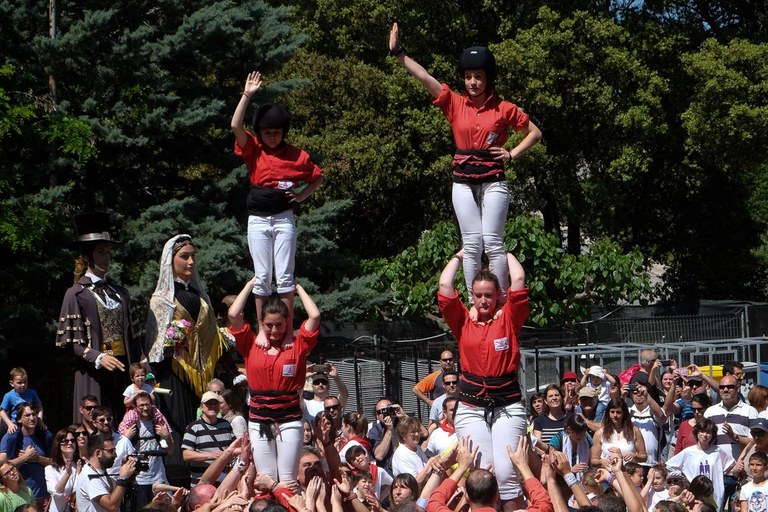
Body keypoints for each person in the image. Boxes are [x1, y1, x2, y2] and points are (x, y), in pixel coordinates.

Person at [389, 24, 541, 304]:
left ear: (488, 78)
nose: (472, 82)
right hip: (462, 182)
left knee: (493, 243)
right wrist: (400, 55)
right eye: (468, 77)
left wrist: (512, 154)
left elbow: (535, 133)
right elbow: (425, 78)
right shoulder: (454, 103)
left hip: (494, 181)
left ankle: (501, 301)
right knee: (472, 245)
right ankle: (475, 302)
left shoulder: (504, 108)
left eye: (478, 77)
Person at [231, 71, 324, 347]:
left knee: (284, 277)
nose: (271, 137)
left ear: (284, 133)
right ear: (260, 133)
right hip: (258, 220)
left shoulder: (298, 156)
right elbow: (236, 125)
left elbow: (318, 177)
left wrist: (301, 196)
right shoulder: (254, 150)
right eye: (267, 133)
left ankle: (286, 332)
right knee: (262, 277)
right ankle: (262, 329)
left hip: (284, 218)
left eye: (276, 133)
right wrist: (247, 94)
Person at [437, 250, 528, 508]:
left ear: (498, 295)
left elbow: (519, 279)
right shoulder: (463, 320)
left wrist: (500, 250)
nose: (484, 301)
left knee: (508, 472)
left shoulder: (508, 318)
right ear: (472, 296)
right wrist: (458, 256)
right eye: (478, 295)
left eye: (489, 295)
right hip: (471, 405)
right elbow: (445, 286)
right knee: (482, 475)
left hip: (507, 406)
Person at [145, 234, 230, 483]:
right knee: (181, 427)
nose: (191, 261)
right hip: (174, 376)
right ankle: (179, 482)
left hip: (203, 374)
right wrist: (171, 340)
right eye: (185, 256)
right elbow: (154, 346)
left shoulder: (202, 296)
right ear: (169, 261)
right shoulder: (161, 300)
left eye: (193, 256)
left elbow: (211, 334)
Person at [228, 277, 321, 483]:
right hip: (259, 419)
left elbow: (314, 315)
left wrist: (297, 288)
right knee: (266, 478)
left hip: (289, 418)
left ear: (286, 323)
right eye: (269, 325)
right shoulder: (251, 344)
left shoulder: (297, 346)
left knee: (287, 478)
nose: (274, 331)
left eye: (279, 325)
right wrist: (251, 284)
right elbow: (233, 314)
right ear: (262, 323)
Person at [55, 212, 145, 421]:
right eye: (101, 251)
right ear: (87, 256)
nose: (107, 256)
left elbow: (134, 339)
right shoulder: (76, 293)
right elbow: (71, 344)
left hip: (124, 370)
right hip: (94, 372)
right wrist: (99, 357)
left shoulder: (120, 294)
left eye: (108, 251)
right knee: (97, 423)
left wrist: (143, 367)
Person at [115, 391, 174, 509]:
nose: (145, 408)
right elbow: (120, 454)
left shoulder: (158, 423)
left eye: (147, 404)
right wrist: (126, 437)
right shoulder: (131, 426)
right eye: (141, 405)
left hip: (159, 478)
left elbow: (170, 451)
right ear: (135, 407)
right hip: (139, 480)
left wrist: (166, 436)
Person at [666, 418, 735, 510]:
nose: (705, 435)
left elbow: (730, 465)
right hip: (694, 495)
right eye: (702, 431)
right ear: (697, 433)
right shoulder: (688, 452)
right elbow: (670, 466)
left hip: (714, 495)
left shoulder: (718, 451)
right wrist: (683, 482)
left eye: (708, 432)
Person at [0, 403, 53, 510]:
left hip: (45, 496)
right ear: (19, 419)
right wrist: (24, 458)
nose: (32, 418)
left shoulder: (44, 436)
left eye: (34, 414)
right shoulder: (11, 437)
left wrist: (38, 458)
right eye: (27, 415)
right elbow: (2, 466)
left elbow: (55, 462)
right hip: (23, 496)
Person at [180, 391, 235, 485]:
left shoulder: (226, 425)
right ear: (202, 407)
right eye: (209, 403)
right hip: (202, 483)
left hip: (225, 483)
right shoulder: (193, 427)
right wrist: (209, 455)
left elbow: (233, 446)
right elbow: (186, 455)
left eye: (215, 403)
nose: (213, 406)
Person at [73, 433, 136, 512]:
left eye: (115, 450)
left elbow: (117, 496)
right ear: (98, 453)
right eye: (111, 451)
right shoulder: (89, 476)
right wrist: (122, 478)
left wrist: (129, 475)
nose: (115, 455)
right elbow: (111, 506)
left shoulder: (102, 473)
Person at [590, 397, 647, 467]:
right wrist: (601, 462)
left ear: (624, 413)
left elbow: (644, 456)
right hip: (608, 473)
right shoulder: (600, 433)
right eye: (612, 412)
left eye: (618, 412)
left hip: (628, 474)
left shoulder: (634, 431)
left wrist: (635, 456)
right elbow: (593, 460)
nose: (615, 415)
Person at [0, 369, 43, 437]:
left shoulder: (32, 393)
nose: (23, 385)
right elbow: (2, 412)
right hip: (16, 423)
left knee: (47, 435)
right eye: (19, 383)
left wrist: (40, 419)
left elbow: (39, 407)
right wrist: (10, 424)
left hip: (31, 421)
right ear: (12, 383)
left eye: (25, 382)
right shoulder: (8, 396)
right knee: (11, 437)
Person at [45, 429, 79, 512]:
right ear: (58, 445)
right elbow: (56, 492)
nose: (70, 443)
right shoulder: (50, 469)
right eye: (66, 441)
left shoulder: (80, 466)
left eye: (72, 440)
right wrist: (67, 474)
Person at [534, 384, 572, 450]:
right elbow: (537, 445)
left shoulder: (571, 418)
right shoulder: (539, 421)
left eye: (557, 395)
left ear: (562, 398)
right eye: (550, 396)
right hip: (546, 458)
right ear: (545, 401)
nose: (554, 398)